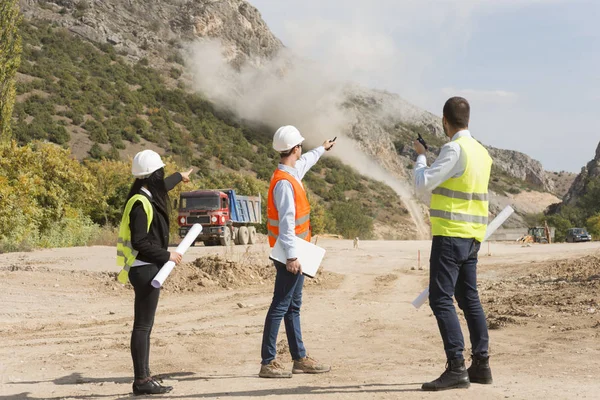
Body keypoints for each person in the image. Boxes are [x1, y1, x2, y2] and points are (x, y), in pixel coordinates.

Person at [413, 97, 493, 391]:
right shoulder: (482, 153)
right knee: (469, 299)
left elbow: (422, 184)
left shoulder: (454, 149)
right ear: (467, 120)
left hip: (450, 235)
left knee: (440, 299)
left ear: (445, 121)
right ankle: (481, 365)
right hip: (472, 236)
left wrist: (421, 157)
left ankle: (456, 367)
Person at [259, 125, 336, 378]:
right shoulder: (284, 184)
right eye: (300, 147)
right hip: (288, 254)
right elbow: (286, 224)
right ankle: (268, 362)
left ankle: (299, 358)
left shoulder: (291, 173)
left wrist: (321, 149)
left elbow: (306, 161)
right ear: (294, 148)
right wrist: (292, 257)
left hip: (296, 252)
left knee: (292, 306)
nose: (302, 151)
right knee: (280, 306)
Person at [116, 150, 192, 395]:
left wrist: (180, 176)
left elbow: (163, 186)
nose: (162, 177)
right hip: (144, 268)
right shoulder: (140, 203)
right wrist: (167, 255)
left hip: (146, 268)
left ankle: (144, 377)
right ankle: (141, 380)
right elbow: (139, 242)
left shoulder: (146, 193)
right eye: (161, 172)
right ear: (152, 175)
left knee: (144, 326)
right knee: (142, 327)